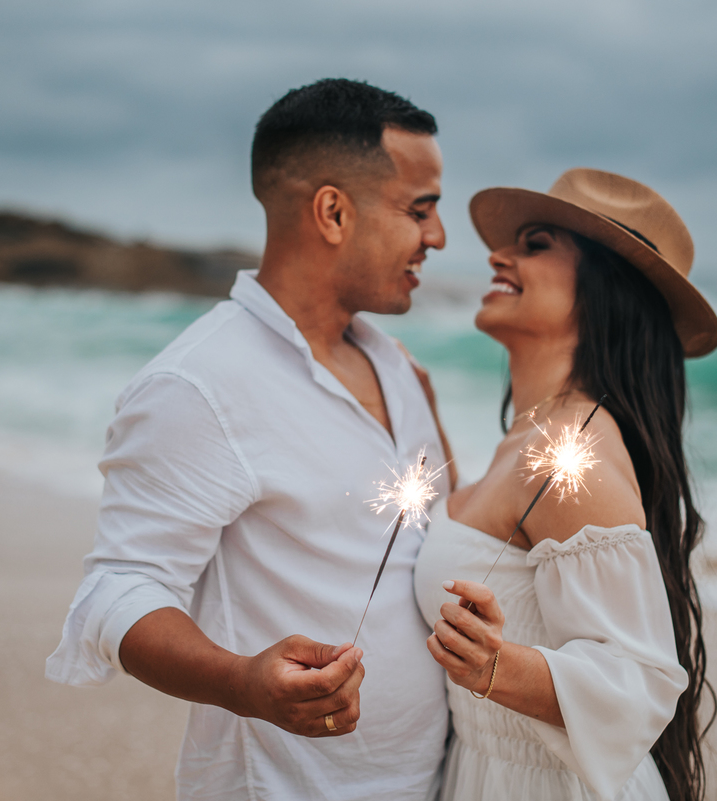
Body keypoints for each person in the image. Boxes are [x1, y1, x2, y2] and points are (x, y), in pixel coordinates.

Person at [46, 79, 456, 800]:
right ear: (332, 211)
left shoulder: (396, 366)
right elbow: (119, 587)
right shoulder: (198, 384)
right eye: (418, 209)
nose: (438, 236)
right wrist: (242, 682)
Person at [414, 169, 717, 801]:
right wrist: (420, 413)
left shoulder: (569, 455)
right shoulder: (529, 443)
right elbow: (489, 541)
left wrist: (499, 666)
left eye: (536, 244)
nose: (498, 256)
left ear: (607, 289)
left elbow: (642, 682)